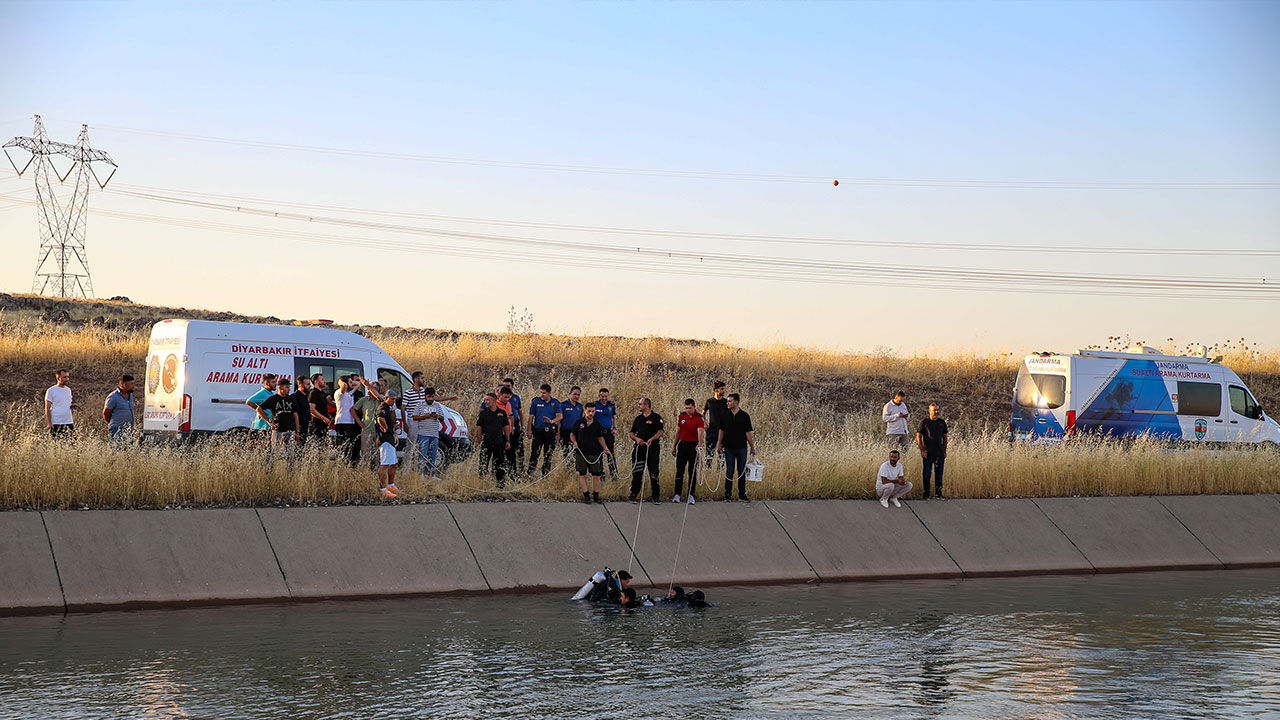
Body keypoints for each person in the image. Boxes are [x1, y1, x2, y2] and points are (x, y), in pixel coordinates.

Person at [715, 393, 756, 502]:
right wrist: (719, 444)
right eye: (727, 401)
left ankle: (742, 495)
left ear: (736, 402)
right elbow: (721, 430)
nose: (727, 403)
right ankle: (727, 495)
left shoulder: (745, 416)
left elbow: (748, 433)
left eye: (729, 401)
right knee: (730, 471)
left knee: (741, 471)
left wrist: (752, 447)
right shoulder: (724, 415)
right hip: (728, 448)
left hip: (741, 448)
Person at [571, 403, 611, 504]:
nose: (591, 413)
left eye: (593, 411)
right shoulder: (579, 422)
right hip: (581, 452)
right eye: (589, 411)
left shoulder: (597, 424)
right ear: (585, 411)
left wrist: (605, 448)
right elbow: (572, 434)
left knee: (596, 474)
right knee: (582, 474)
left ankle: (596, 495)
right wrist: (574, 442)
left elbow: (600, 437)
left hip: (594, 452)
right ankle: (586, 495)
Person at [411, 387, 455, 478]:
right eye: (429, 397)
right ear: (425, 396)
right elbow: (414, 417)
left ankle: (431, 474)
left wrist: (437, 416)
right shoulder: (420, 405)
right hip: (423, 434)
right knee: (422, 455)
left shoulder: (437, 405)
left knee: (433, 455)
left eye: (432, 397)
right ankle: (421, 475)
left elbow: (442, 418)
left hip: (434, 434)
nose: (430, 399)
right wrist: (425, 416)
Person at [628, 397, 665, 503]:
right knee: (637, 472)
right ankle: (634, 494)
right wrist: (636, 439)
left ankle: (656, 496)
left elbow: (660, 432)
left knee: (654, 472)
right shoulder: (638, 419)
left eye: (640, 404)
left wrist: (651, 439)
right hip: (639, 449)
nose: (638, 406)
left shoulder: (656, 417)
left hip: (652, 449)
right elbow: (631, 433)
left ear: (647, 405)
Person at [260, 378, 302, 468]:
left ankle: (290, 473)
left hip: (290, 429)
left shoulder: (291, 399)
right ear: (280, 387)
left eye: (289, 387)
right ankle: (271, 471)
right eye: (286, 387)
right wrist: (269, 422)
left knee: (291, 454)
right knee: (274, 452)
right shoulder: (273, 399)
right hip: (278, 430)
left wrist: (297, 430)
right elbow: (259, 409)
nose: (289, 389)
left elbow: (295, 414)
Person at [671, 398, 706, 504]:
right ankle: (677, 494)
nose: (688, 410)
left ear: (694, 407)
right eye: (686, 408)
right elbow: (678, 431)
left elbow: (700, 432)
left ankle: (691, 494)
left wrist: (699, 444)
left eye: (690, 408)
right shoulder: (682, 416)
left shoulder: (699, 418)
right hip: (683, 445)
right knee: (680, 470)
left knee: (692, 471)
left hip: (693, 445)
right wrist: (674, 446)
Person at [475, 392, 511, 488]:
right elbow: (479, 427)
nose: (486, 402)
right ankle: (482, 485)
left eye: (488, 400)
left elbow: (506, 426)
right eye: (485, 400)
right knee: (483, 464)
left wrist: (508, 440)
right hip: (486, 442)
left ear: (494, 401)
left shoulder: (502, 413)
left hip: (499, 442)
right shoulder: (483, 413)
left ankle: (500, 485)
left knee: (499, 464)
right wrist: (479, 440)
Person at [526, 384, 562, 477]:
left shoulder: (555, 403)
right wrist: (529, 430)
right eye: (541, 392)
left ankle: (545, 475)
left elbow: (560, 416)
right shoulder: (535, 401)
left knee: (548, 455)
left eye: (544, 393)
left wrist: (552, 421)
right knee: (534, 453)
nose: (542, 394)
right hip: (538, 432)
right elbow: (531, 417)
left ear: (549, 393)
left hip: (550, 432)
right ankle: (530, 474)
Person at [917, 402, 949, 500]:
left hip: (939, 453)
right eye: (934, 410)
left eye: (937, 410)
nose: (936, 412)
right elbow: (919, 436)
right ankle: (926, 494)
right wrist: (922, 450)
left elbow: (945, 437)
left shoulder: (942, 422)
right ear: (929, 410)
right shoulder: (924, 422)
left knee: (939, 474)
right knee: (927, 474)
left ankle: (938, 494)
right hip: (928, 453)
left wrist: (944, 450)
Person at [353, 379, 387, 469]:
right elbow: (353, 409)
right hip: (366, 430)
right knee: (365, 454)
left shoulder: (381, 399)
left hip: (378, 431)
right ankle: (365, 472)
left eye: (372, 388)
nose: (369, 390)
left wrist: (368, 385)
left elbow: (379, 397)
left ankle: (377, 472)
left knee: (378, 454)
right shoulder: (364, 400)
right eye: (368, 389)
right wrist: (359, 421)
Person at [375, 389, 400, 498]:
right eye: (392, 399)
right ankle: (383, 489)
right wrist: (385, 427)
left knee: (393, 464)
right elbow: (380, 418)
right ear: (386, 398)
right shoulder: (383, 407)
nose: (394, 401)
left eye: (395, 399)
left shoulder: (388, 408)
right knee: (385, 465)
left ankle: (390, 484)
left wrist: (393, 427)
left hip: (390, 439)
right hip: (384, 439)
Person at [334, 375, 362, 467]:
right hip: (342, 422)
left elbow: (358, 384)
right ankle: (342, 464)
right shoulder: (339, 393)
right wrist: (341, 382)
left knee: (350, 445)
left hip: (350, 423)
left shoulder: (349, 394)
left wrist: (351, 382)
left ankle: (349, 465)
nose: (352, 384)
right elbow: (343, 387)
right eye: (350, 382)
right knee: (344, 446)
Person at [102, 374, 136, 447]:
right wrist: (113, 423)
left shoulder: (130, 395)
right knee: (117, 452)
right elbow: (106, 413)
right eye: (131, 384)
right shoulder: (113, 397)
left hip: (129, 430)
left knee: (129, 453)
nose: (134, 386)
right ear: (124, 385)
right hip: (117, 430)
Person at [44, 368, 78, 439]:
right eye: (64, 377)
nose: (67, 379)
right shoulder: (51, 390)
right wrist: (50, 423)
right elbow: (47, 408)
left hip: (69, 421)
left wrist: (72, 406)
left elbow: (67, 403)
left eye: (68, 377)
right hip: (57, 423)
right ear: (58, 378)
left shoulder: (68, 390)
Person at [594, 388, 619, 480]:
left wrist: (615, 427)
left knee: (611, 454)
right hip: (598, 434)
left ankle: (614, 475)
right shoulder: (595, 405)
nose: (604, 398)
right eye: (602, 396)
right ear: (599, 396)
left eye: (605, 396)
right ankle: (601, 476)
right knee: (599, 455)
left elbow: (614, 417)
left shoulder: (611, 405)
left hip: (608, 433)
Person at [245, 374, 279, 441]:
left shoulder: (270, 393)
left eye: (275, 382)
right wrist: (260, 410)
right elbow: (248, 402)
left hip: (269, 426)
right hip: (262, 426)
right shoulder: (262, 392)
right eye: (273, 382)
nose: (276, 384)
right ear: (267, 383)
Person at [702, 380, 729, 468]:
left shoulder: (726, 402)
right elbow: (702, 413)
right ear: (716, 390)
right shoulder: (709, 401)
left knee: (722, 452)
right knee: (709, 451)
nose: (724, 391)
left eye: (724, 389)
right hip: (712, 430)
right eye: (722, 389)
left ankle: (719, 471)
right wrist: (704, 423)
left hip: (723, 430)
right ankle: (707, 470)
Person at [503, 377, 525, 468]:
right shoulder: (500, 398)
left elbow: (520, 412)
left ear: (512, 387)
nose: (506, 387)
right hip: (504, 424)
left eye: (508, 386)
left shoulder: (516, 398)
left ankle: (521, 467)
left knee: (520, 446)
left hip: (515, 424)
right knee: (507, 447)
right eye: (504, 386)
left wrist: (523, 426)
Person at [558, 386, 585, 460]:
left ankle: (575, 469)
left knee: (576, 452)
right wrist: (558, 433)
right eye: (574, 394)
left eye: (578, 395)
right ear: (570, 394)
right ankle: (566, 469)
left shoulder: (580, 407)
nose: (576, 396)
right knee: (565, 453)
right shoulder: (562, 405)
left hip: (576, 433)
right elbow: (559, 421)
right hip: (565, 433)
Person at [307, 373, 332, 445]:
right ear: (316, 382)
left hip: (324, 425)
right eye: (322, 379)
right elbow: (312, 410)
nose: (324, 381)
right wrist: (324, 418)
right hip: (317, 425)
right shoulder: (313, 393)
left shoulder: (323, 393)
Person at [291, 376, 313, 446]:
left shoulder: (306, 396)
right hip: (299, 428)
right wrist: (297, 429)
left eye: (309, 384)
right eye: (307, 384)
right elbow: (294, 413)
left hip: (307, 427)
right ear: (301, 385)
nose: (309, 386)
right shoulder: (294, 397)